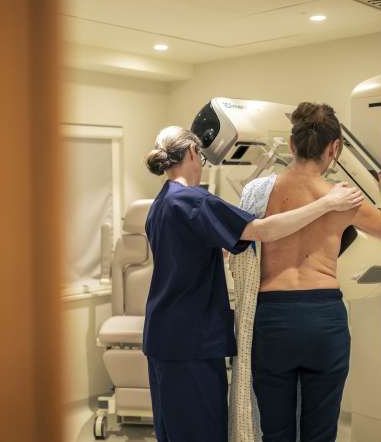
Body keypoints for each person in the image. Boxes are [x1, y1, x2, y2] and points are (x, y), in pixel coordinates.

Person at [142, 126, 364, 442]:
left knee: (174, 432)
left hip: (164, 336)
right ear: (192, 153)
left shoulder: (161, 203)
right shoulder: (193, 200)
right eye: (201, 157)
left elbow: (187, 252)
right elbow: (263, 230)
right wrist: (327, 203)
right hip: (192, 340)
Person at [229, 103, 381, 442]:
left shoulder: (258, 193)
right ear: (334, 148)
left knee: (275, 433)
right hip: (322, 320)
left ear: (291, 143)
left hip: (273, 321)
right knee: (321, 432)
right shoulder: (343, 199)